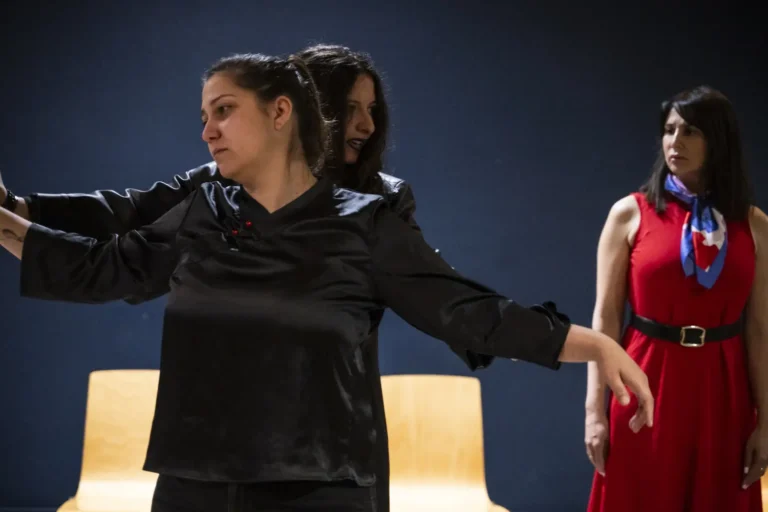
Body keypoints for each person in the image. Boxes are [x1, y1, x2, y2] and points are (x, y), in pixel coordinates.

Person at [0, 52, 653, 511]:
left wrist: (594, 344)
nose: (206, 131)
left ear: (282, 113)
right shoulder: (203, 206)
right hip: (194, 479)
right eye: (206, 114)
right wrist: (13, 214)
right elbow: (107, 252)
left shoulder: (371, 219)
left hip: (319, 476)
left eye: (224, 111)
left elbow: (464, 309)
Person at [584, 85, 767, 512]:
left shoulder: (754, 225)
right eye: (669, 130)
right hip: (644, 379)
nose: (675, 141)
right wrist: (595, 411)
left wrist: (766, 420)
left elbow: (760, 329)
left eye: (690, 131)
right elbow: (605, 319)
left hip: (724, 389)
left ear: (718, 140)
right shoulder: (629, 213)